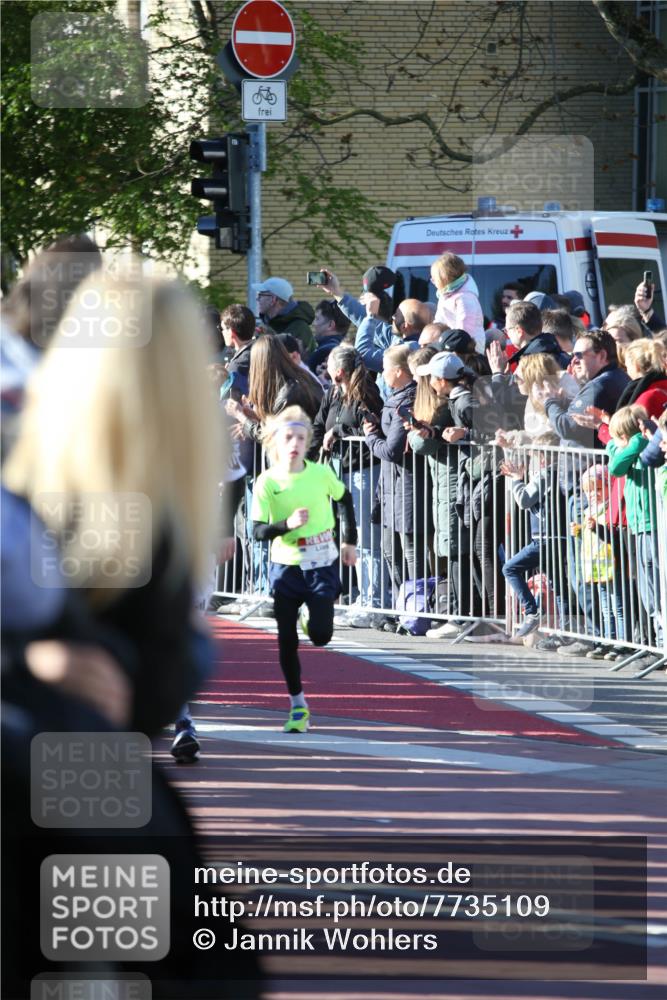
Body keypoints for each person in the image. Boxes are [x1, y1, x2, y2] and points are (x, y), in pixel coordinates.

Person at [251, 406, 357, 733]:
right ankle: (298, 705)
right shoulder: (267, 482)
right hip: (285, 567)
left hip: (321, 562)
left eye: (300, 437)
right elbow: (257, 531)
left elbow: (344, 499)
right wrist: (286, 524)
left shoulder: (320, 474)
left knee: (321, 636)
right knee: (286, 641)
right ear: (275, 442)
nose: (294, 444)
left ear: (308, 441)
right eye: (288, 438)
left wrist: (348, 541)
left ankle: (309, 614)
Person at [309, 344, 386, 628]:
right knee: (345, 536)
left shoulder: (367, 392)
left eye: (330, 368)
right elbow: (319, 425)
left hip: (363, 471)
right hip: (336, 472)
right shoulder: (332, 393)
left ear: (339, 371)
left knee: (366, 537)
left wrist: (338, 431)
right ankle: (356, 595)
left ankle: (373, 601)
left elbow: (370, 427)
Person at [362, 345, 428, 616]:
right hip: (390, 484)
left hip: (407, 484)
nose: (382, 374)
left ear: (399, 371)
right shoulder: (394, 399)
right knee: (389, 549)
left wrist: (370, 437)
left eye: (385, 369)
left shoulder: (408, 401)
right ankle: (403, 607)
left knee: (410, 551)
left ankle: (417, 610)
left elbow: (392, 450)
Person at [606, 404, 663, 649]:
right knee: (648, 590)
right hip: (638, 527)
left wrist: (638, 441)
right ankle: (659, 643)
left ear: (626, 436)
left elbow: (615, 465)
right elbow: (615, 466)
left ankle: (662, 643)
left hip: (655, 525)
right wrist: (624, 444)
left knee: (659, 585)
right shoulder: (629, 453)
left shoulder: (648, 448)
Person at [500, 434, 566, 638]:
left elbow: (524, 500)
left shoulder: (545, 474)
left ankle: (532, 612)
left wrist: (517, 481)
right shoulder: (563, 472)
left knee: (510, 568)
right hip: (558, 537)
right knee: (558, 584)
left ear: (543, 457)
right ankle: (564, 631)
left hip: (545, 539)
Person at [431, 252, 485, 353]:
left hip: (468, 352)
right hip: (450, 345)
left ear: (444, 278)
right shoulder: (445, 294)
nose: (432, 281)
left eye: (434, 278)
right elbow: (439, 322)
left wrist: (453, 350)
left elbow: (464, 332)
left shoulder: (465, 298)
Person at [254, 276, 317, 357]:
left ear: (273, 299)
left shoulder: (300, 328)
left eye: (260, 295)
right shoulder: (267, 324)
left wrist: (268, 338)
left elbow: (293, 361)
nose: (257, 299)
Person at [219, 303, 256, 402]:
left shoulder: (237, 366)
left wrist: (225, 379)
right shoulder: (260, 350)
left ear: (231, 332)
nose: (222, 332)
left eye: (222, 329)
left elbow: (231, 405)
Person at [307, 298, 351, 374]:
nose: (314, 324)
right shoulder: (348, 350)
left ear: (330, 325)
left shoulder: (323, 353)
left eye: (317, 319)